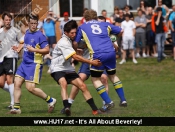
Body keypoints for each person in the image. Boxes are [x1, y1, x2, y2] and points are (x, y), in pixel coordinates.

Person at [74, 9, 127, 112]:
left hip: (97, 54)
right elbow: (121, 31)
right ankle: (123, 100)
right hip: (111, 52)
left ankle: (108, 102)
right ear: (95, 16)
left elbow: (76, 42)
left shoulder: (82, 27)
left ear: (85, 18)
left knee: (95, 79)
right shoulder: (104, 24)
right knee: (113, 76)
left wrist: (75, 49)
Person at [50, 20, 103, 116]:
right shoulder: (63, 42)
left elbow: (73, 52)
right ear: (65, 33)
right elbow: (75, 57)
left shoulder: (70, 40)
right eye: (72, 33)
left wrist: (76, 48)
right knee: (63, 83)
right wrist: (91, 62)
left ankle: (95, 110)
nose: (74, 34)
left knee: (82, 86)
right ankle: (66, 107)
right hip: (57, 68)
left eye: (75, 32)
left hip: (68, 68)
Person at [10, 14, 56, 114]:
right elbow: (23, 42)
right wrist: (18, 48)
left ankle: (50, 100)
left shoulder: (40, 35)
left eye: (35, 23)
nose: (34, 25)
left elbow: (47, 50)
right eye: (32, 23)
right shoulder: (27, 32)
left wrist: (34, 49)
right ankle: (16, 108)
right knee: (17, 83)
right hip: (24, 63)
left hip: (34, 64)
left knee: (30, 88)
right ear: (28, 24)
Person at [0, 12, 22, 109]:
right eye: (6, 20)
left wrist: (18, 48)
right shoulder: (0, 31)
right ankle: (15, 91)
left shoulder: (16, 31)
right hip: (1, 58)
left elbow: (22, 42)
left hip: (11, 57)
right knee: (1, 83)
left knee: (9, 80)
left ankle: (13, 103)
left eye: (9, 20)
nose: (8, 22)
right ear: (3, 20)